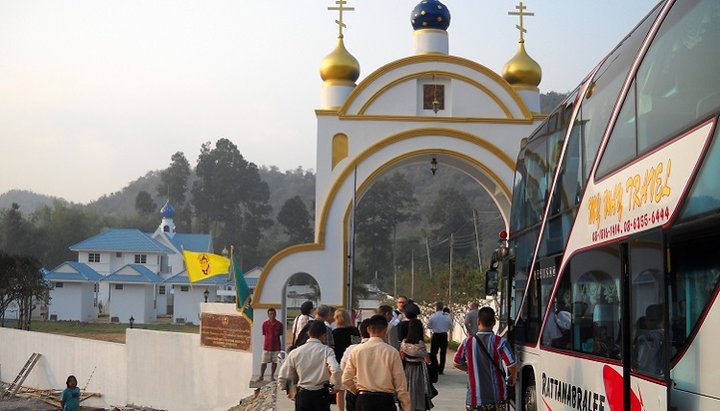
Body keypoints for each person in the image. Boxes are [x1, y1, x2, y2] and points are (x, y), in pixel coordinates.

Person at [342, 314, 411, 411]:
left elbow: (346, 379)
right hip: (385, 400)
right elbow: (401, 384)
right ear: (385, 331)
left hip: (363, 399)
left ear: (368, 329)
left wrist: (357, 391)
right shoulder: (392, 352)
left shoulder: (356, 351)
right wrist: (405, 406)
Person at [454, 307, 517, 410]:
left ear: (478, 321)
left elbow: (456, 362)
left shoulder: (467, 342)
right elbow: (512, 365)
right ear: (494, 322)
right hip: (497, 398)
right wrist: (513, 377)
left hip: (474, 399)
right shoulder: (500, 342)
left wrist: (471, 369)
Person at [278, 321, 342, 411]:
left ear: (308, 333)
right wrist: (335, 386)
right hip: (321, 395)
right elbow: (336, 370)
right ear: (324, 335)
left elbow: (283, 375)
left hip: (303, 394)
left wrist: (286, 388)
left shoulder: (296, 352)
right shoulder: (327, 351)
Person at [400, 318, 434, 411]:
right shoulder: (420, 344)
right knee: (419, 391)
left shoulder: (404, 343)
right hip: (419, 370)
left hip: (407, 369)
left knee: (408, 389)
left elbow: (402, 357)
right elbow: (427, 360)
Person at [340, 319, 371, 411]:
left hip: (354, 389)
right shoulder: (384, 350)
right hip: (375, 393)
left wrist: (353, 389)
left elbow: (343, 368)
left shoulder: (351, 349)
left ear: (360, 333)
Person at [333, 308, 361, 411]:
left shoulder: (335, 332)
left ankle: (341, 409)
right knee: (354, 386)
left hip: (339, 361)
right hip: (353, 361)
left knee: (340, 389)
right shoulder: (354, 330)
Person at [427, 301, 452, 376]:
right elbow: (450, 326)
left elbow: (429, 326)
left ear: (436, 307)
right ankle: (441, 369)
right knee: (443, 353)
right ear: (443, 307)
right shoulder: (447, 316)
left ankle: (434, 367)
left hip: (436, 335)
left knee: (433, 353)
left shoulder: (433, 316)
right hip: (444, 335)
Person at [259, 307, 283, 381]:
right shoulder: (265, 324)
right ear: (268, 315)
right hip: (267, 346)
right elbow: (264, 333)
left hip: (276, 346)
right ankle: (261, 376)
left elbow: (280, 333)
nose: (272, 315)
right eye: (270, 314)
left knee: (274, 362)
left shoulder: (279, 324)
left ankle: (272, 376)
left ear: (275, 314)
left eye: (273, 314)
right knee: (263, 362)